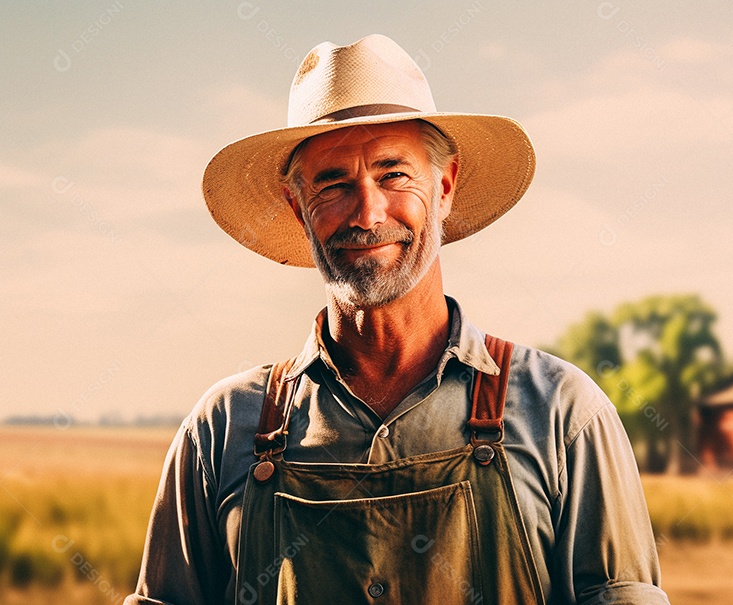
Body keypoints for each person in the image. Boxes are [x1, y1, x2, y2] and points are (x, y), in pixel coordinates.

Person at [125, 34, 667, 604]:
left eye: (393, 175)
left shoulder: (561, 414)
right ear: (297, 207)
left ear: (445, 187)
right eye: (333, 183)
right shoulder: (220, 431)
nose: (367, 212)